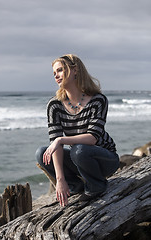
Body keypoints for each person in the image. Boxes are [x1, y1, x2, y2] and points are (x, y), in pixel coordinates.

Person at [35, 54, 119, 207]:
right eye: (54, 73)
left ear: (74, 70)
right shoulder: (54, 105)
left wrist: (60, 140)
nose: (56, 76)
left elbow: (92, 138)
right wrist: (60, 180)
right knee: (42, 153)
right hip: (80, 159)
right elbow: (56, 145)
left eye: (60, 70)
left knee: (79, 150)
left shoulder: (98, 100)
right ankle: (75, 185)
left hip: (105, 159)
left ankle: (96, 185)